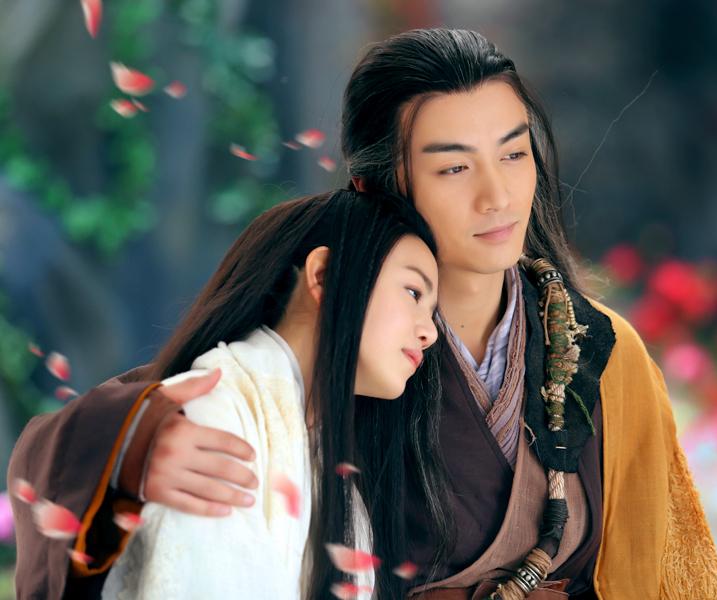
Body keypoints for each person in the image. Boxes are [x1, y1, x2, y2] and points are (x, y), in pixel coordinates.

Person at [9, 28, 717, 599]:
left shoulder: (603, 350)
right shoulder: (350, 349)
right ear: (378, 184)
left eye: (514, 155)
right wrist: (137, 451)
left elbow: (670, 573)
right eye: (454, 167)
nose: (498, 196)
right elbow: (61, 448)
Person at [10, 190, 442, 600]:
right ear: (324, 275)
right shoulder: (210, 415)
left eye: (432, 311)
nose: (430, 332)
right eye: (413, 292)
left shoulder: (331, 466)